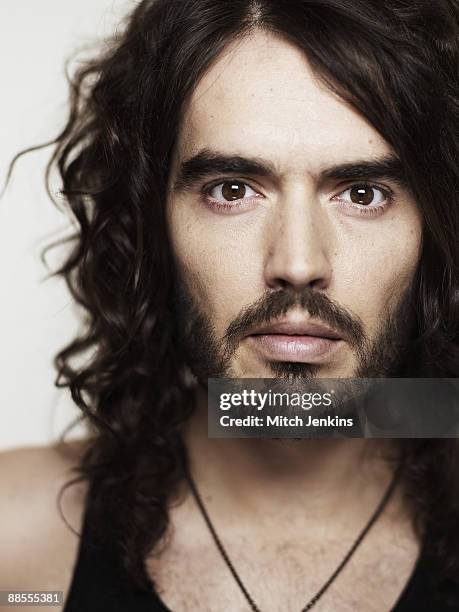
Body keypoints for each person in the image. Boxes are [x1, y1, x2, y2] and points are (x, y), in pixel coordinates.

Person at [1, 0, 458, 610]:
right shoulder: (22, 554)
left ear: (436, 228)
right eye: (232, 190)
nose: (298, 263)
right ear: (149, 222)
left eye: (363, 192)